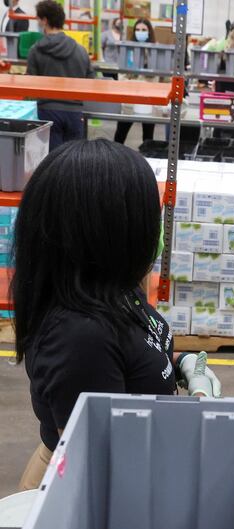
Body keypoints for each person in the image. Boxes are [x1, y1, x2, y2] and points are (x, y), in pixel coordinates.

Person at [13, 140, 222, 490]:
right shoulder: (79, 338)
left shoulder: (113, 289)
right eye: (148, 216)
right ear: (108, 230)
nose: (156, 229)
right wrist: (192, 418)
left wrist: (179, 362)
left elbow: (127, 359)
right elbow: (101, 472)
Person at [26, 1, 93, 150]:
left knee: (51, 162)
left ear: (44, 20)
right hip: (75, 113)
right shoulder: (81, 50)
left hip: (47, 112)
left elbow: (29, 85)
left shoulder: (35, 50)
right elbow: (91, 81)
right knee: (74, 160)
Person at [114, 18, 157, 145]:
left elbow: (161, 78)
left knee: (148, 138)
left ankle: (148, 160)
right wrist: (141, 84)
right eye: (137, 30)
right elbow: (121, 77)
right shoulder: (128, 51)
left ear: (149, 32)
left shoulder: (155, 51)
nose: (140, 32)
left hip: (149, 101)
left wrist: (137, 83)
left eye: (144, 30)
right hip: (129, 100)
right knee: (120, 135)